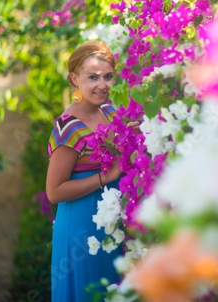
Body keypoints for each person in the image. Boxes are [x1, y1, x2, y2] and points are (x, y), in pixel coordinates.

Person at [46, 41, 136, 301]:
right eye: (93, 77)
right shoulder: (68, 128)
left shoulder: (109, 110)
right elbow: (54, 191)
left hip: (113, 220)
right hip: (82, 229)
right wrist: (104, 178)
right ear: (75, 78)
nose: (102, 85)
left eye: (108, 77)